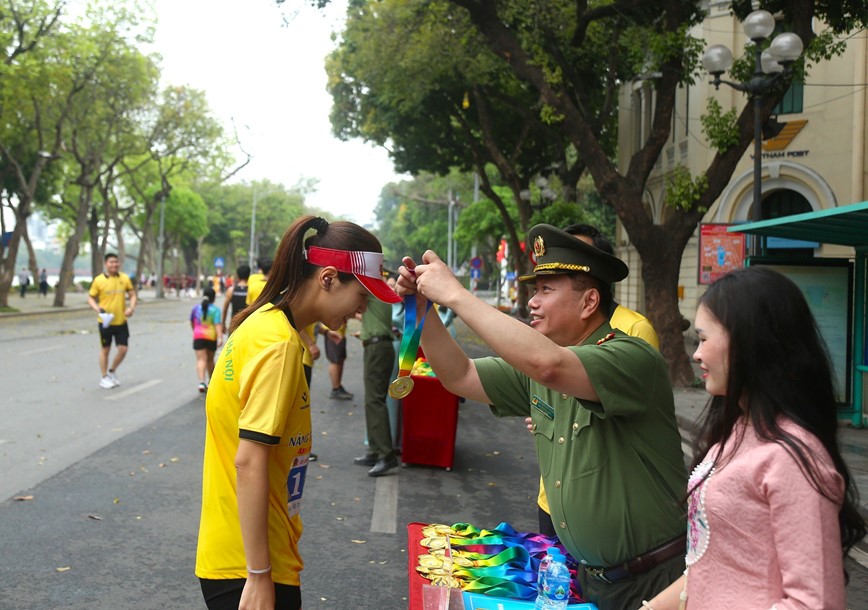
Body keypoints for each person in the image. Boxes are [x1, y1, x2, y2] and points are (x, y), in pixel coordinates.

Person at [397, 224, 686, 610]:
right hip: (591, 577)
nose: (533, 301)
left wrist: (456, 295)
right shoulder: (542, 364)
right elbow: (460, 375)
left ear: (589, 303)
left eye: (546, 290)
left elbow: (549, 365)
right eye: (535, 289)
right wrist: (424, 308)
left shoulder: (630, 356)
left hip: (657, 582)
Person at [195, 215, 400, 610]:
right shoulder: (280, 347)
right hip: (251, 564)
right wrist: (258, 575)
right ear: (327, 279)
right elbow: (250, 462)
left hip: (239, 552)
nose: (362, 309)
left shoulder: (264, 322)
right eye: (362, 295)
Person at [642, 267, 866, 610]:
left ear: (750, 343)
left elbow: (814, 602)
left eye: (703, 339)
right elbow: (713, 565)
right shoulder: (737, 429)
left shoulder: (792, 457)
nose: (697, 354)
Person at [533, 223, 662, 537]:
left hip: (602, 506)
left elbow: (632, 413)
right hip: (551, 495)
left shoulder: (634, 329)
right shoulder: (556, 328)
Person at [352, 288, 400, 476]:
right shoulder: (379, 290)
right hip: (378, 346)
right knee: (372, 400)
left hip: (377, 348)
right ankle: (375, 450)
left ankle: (386, 455)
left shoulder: (372, 289)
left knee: (375, 401)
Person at [87, 253, 137, 389]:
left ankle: (112, 371)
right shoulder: (99, 280)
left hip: (121, 321)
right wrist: (97, 308)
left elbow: (132, 295)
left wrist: (131, 308)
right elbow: (90, 298)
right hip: (105, 321)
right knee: (105, 349)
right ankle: (104, 377)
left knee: (123, 348)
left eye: (116, 262)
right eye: (111, 262)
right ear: (105, 264)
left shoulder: (124, 278)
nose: (114, 264)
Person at [191, 287, 223, 393]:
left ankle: (201, 382)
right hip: (211, 337)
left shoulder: (195, 309)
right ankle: (211, 382)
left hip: (198, 336)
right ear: (213, 298)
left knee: (201, 359)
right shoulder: (215, 310)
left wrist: (195, 332)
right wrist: (220, 337)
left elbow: (193, 323)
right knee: (209, 360)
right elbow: (218, 325)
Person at [319, 323, 353, 400]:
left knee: (340, 359)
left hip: (339, 331)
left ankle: (338, 386)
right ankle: (336, 388)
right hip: (333, 331)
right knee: (335, 360)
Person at [221, 264, 250, 329]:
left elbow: (225, 309)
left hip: (234, 325)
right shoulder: (251, 290)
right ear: (248, 275)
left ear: (237, 276)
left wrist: (223, 323)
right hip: (248, 325)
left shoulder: (231, 290)